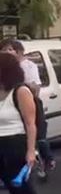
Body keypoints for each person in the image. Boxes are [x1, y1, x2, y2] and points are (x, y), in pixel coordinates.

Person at [0, 53, 39, 194]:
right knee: (11, 186)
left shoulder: (21, 91)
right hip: (1, 143)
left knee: (23, 186)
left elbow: (31, 124)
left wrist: (31, 151)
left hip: (16, 141)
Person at [0, 39, 51, 180]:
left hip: (18, 135)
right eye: (4, 49)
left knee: (41, 139)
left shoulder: (28, 69)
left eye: (9, 49)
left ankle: (44, 160)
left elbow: (30, 123)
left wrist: (29, 151)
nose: (6, 52)